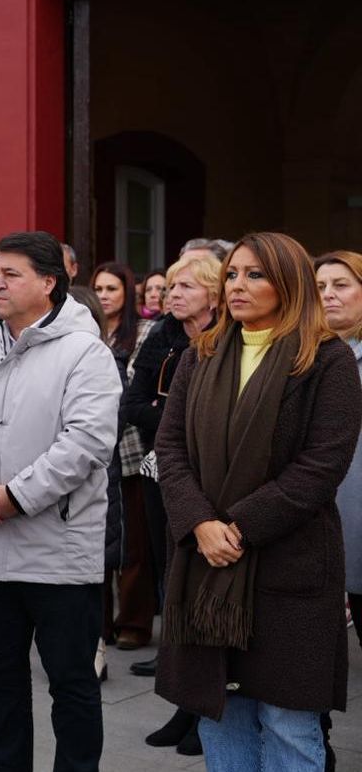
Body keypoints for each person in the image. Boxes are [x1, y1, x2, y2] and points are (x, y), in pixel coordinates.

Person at [154, 233, 359, 771]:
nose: (238, 285)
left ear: (288, 282)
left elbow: (321, 466)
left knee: (288, 723)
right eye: (234, 274)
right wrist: (200, 522)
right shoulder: (202, 352)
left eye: (255, 275)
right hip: (206, 566)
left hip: (287, 566)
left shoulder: (327, 359)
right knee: (222, 714)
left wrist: (236, 527)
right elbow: (170, 447)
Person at [0, 231, 121, 772]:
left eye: (11, 274)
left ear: (49, 282)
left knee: (70, 685)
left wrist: (17, 497)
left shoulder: (85, 352)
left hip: (58, 553)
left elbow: (87, 443)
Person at [121, 253, 220, 756]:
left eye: (186, 286)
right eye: (171, 285)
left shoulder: (226, 337)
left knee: (207, 592)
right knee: (173, 582)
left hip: (216, 480)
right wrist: (177, 423)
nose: (172, 294)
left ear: (213, 293)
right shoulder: (161, 336)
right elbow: (132, 404)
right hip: (165, 471)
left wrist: (174, 419)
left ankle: (205, 710)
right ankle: (185, 704)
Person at [92, 261, 151, 661]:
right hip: (96, 449)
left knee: (133, 541)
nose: (104, 295)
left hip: (128, 447)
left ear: (127, 292)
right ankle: (101, 625)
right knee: (100, 538)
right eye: (98, 288)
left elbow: (133, 392)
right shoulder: (89, 330)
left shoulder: (143, 332)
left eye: (112, 288)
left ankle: (133, 621)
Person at [319, 251, 362, 651]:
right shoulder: (304, 355)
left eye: (341, 285)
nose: (328, 295)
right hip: (319, 523)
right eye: (319, 287)